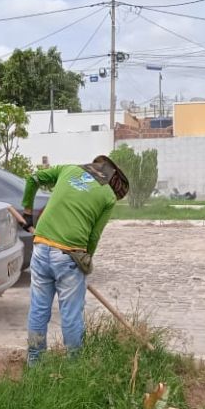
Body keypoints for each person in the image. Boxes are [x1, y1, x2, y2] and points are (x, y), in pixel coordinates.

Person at [20, 155, 129, 364]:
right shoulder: (108, 196)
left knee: (38, 309)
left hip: (41, 247)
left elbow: (33, 178)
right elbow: (94, 237)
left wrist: (27, 212)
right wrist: (85, 262)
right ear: (113, 181)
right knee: (70, 315)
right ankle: (74, 365)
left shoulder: (68, 169)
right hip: (70, 255)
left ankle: (34, 360)